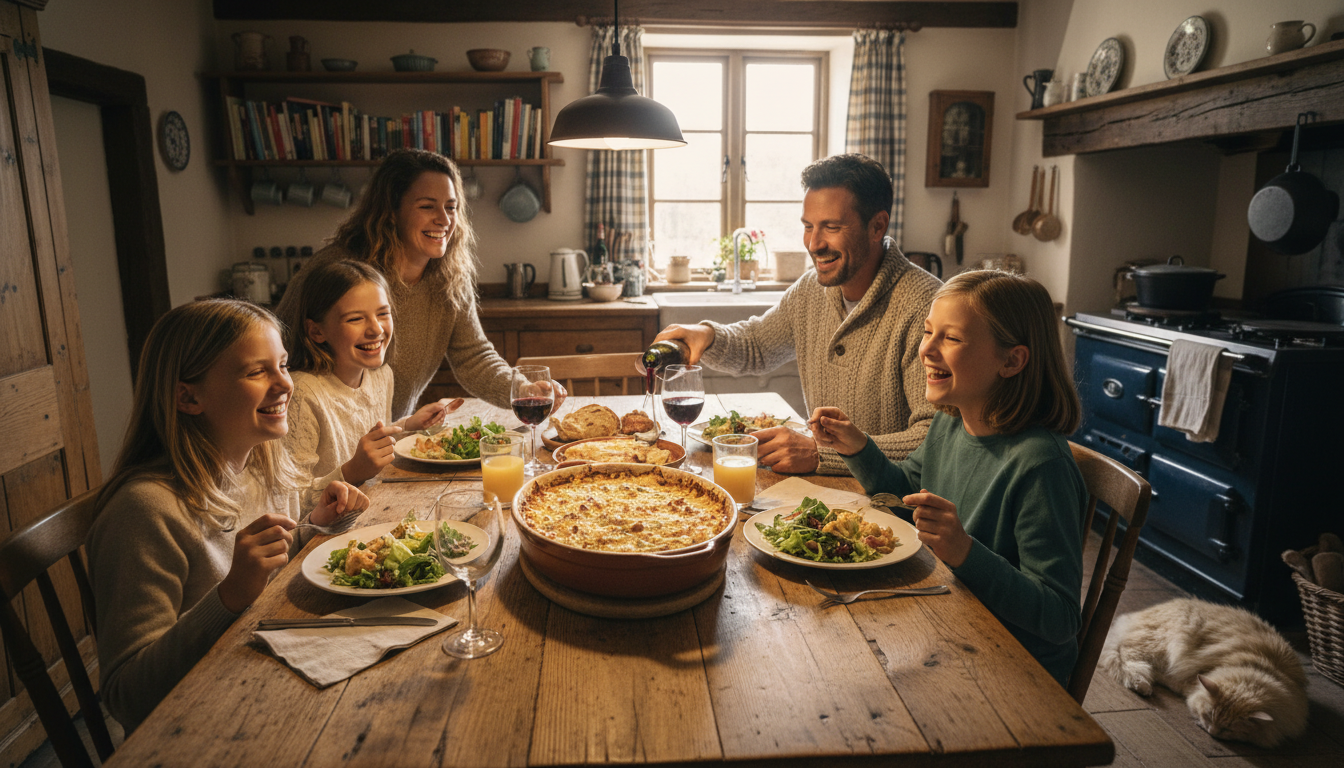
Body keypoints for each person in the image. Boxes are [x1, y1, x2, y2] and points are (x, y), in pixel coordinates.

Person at [86, 299, 370, 731]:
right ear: (188, 396)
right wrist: (230, 596)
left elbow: (268, 565)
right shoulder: (144, 512)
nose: (284, 385)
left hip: (263, 682)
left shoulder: (262, 463)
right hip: (204, 725)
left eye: (283, 365)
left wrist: (315, 525)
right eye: (257, 372)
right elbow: (128, 697)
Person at [810, 270, 1086, 686]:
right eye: (927, 332)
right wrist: (857, 447)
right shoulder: (950, 423)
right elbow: (905, 498)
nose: (926, 350)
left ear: (1012, 361)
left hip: (1017, 672)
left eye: (951, 339)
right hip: (953, 616)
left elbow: (1060, 618)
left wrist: (964, 551)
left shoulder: (1040, 465)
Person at [652, 153, 940, 474]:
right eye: (808, 227)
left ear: (877, 226)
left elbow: (936, 441)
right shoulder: (811, 291)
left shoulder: (927, 306)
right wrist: (707, 336)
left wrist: (822, 455)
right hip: (824, 494)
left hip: (894, 505)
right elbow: (757, 345)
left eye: (831, 227)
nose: (814, 244)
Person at [277, 149, 562, 420]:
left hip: (391, 434)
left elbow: (473, 357)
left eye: (451, 207)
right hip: (321, 437)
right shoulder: (339, 270)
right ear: (391, 210)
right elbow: (278, 351)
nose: (444, 220)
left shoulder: (450, 277)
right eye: (427, 206)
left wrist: (523, 389)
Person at [283, 259, 464, 501]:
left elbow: (372, 447)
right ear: (316, 331)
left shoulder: (381, 376)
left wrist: (408, 426)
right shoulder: (301, 394)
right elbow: (290, 503)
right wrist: (351, 472)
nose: (376, 329)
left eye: (383, 314)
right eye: (355, 319)